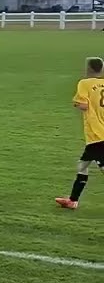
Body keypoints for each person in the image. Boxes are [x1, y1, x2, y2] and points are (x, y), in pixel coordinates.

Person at [55, 56, 104, 209]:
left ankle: (73, 201)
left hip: (97, 134)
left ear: (89, 68)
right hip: (97, 136)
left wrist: (76, 102)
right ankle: (73, 200)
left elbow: (83, 105)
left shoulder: (85, 83)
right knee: (82, 166)